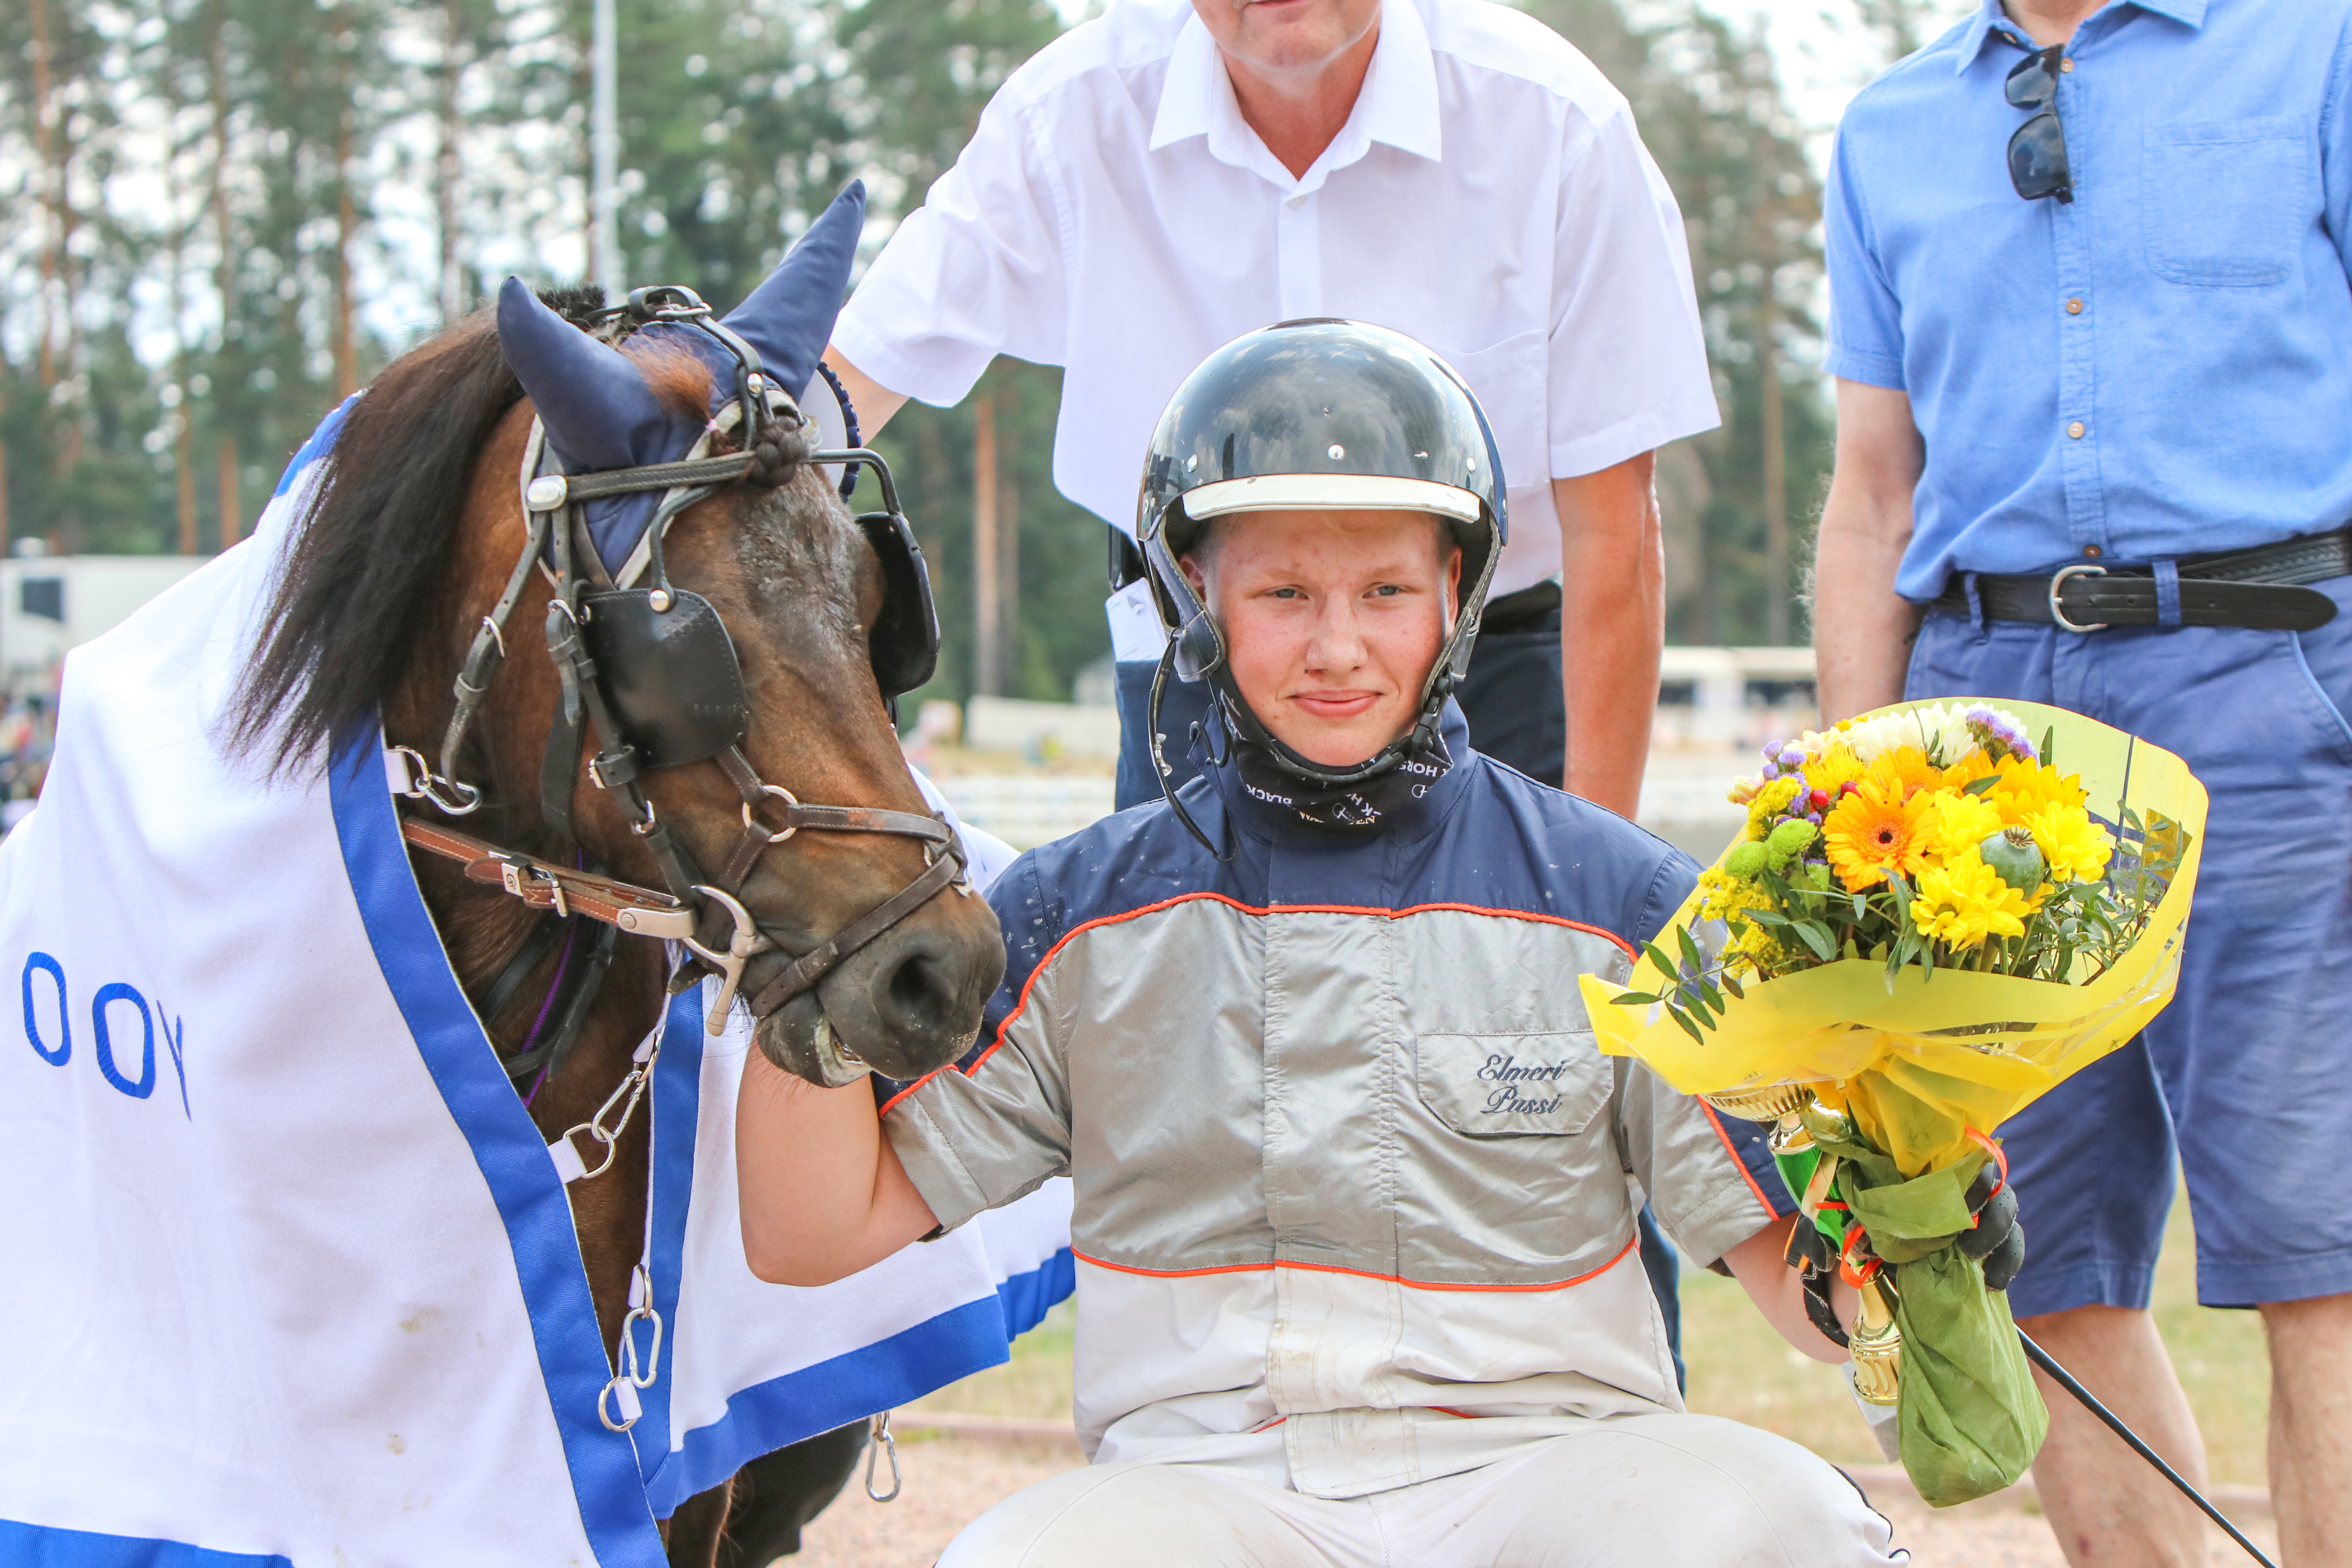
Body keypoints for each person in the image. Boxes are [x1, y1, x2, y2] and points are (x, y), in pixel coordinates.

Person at [738, 323, 1912, 1566]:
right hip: (1205, 1487)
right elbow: (812, 1230)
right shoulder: (1073, 916)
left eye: (1387, 592)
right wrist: (799, 951)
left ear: (1457, 595)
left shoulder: (1618, 901)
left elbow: (1791, 1275)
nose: (1339, 645)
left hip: (1559, 1472)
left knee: (1792, 1521)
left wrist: (1905, 1242)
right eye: (1284, 593)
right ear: (1197, 596)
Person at [822, 0, 1717, 1372]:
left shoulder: (1553, 121)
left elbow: (1614, 536)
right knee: (1179, 1093)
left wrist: (1582, 902)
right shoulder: (1076, 108)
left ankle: (1600, 1448)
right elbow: (842, 386)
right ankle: (1203, 1437)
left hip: (1492, 653)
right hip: (1195, 659)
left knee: (1554, 1109)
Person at [1814, 2, 2352, 1563]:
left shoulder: (2314, 50)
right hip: (1979, 728)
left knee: (2317, 1244)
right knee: (2019, 1245)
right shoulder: (1888, 129)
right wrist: (1854, 805)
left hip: (2273, 672)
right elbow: (1872, 490)